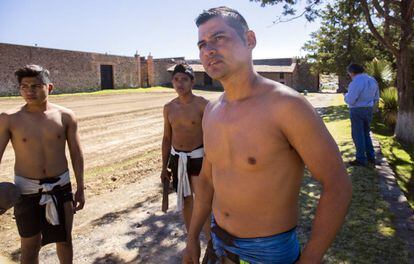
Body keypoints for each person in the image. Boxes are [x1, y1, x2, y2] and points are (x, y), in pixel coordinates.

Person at [183, 7, 352, 264]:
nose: (209, 49)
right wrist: (192, 237)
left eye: (219, 38)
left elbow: (337, 184)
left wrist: (311, 257)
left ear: (249, 40)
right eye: (202, 44)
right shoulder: (212, 111)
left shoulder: (286, 106)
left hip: (269, 252)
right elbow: (206, 180)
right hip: (218, 243)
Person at [0, 65, 85, 264]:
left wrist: (81, 187)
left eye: (36, 86)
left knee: (64, 241)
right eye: (24, 86)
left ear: (50, 87)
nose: (29, 91)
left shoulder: (66, 116)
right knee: (29, 247)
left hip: (61, 188)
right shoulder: (9, 119)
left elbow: (76, 154)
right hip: (25, 191)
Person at [160, 64, 211, 251]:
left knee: (203, 201)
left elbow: (211, 136)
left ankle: (211, 243)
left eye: (184, 79)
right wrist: (163, 167)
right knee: (187, 201)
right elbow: (166, 138)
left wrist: (211, 162)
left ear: (192, 81)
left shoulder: (203, 105)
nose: (179, 84)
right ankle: (192, 242)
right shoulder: (169, 108)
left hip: (198, 159)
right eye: (176, 79)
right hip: (177, 160)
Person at [344, 63, 380, 167]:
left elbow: (350, 100)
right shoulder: (372, 80)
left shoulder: (355, 82)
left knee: (357, 134)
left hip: (357, 109)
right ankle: (371, 157)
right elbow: (376, 97)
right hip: (368, 108)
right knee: (366, 133)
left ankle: (361, 158)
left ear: (351, 72)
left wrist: (345, 96)